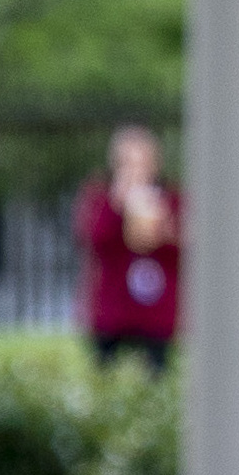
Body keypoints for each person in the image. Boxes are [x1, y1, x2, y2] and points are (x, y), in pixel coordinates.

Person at [75, 122, 180, 366]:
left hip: (157, 311)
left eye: (142, 162)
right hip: (112, 309)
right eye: (128, 163)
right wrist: (117, 205)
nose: (136, 171)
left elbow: (182, 248)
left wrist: (161, 226)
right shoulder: (101, 198)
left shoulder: (171, 199)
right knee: (104, 370)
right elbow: (94, 240)